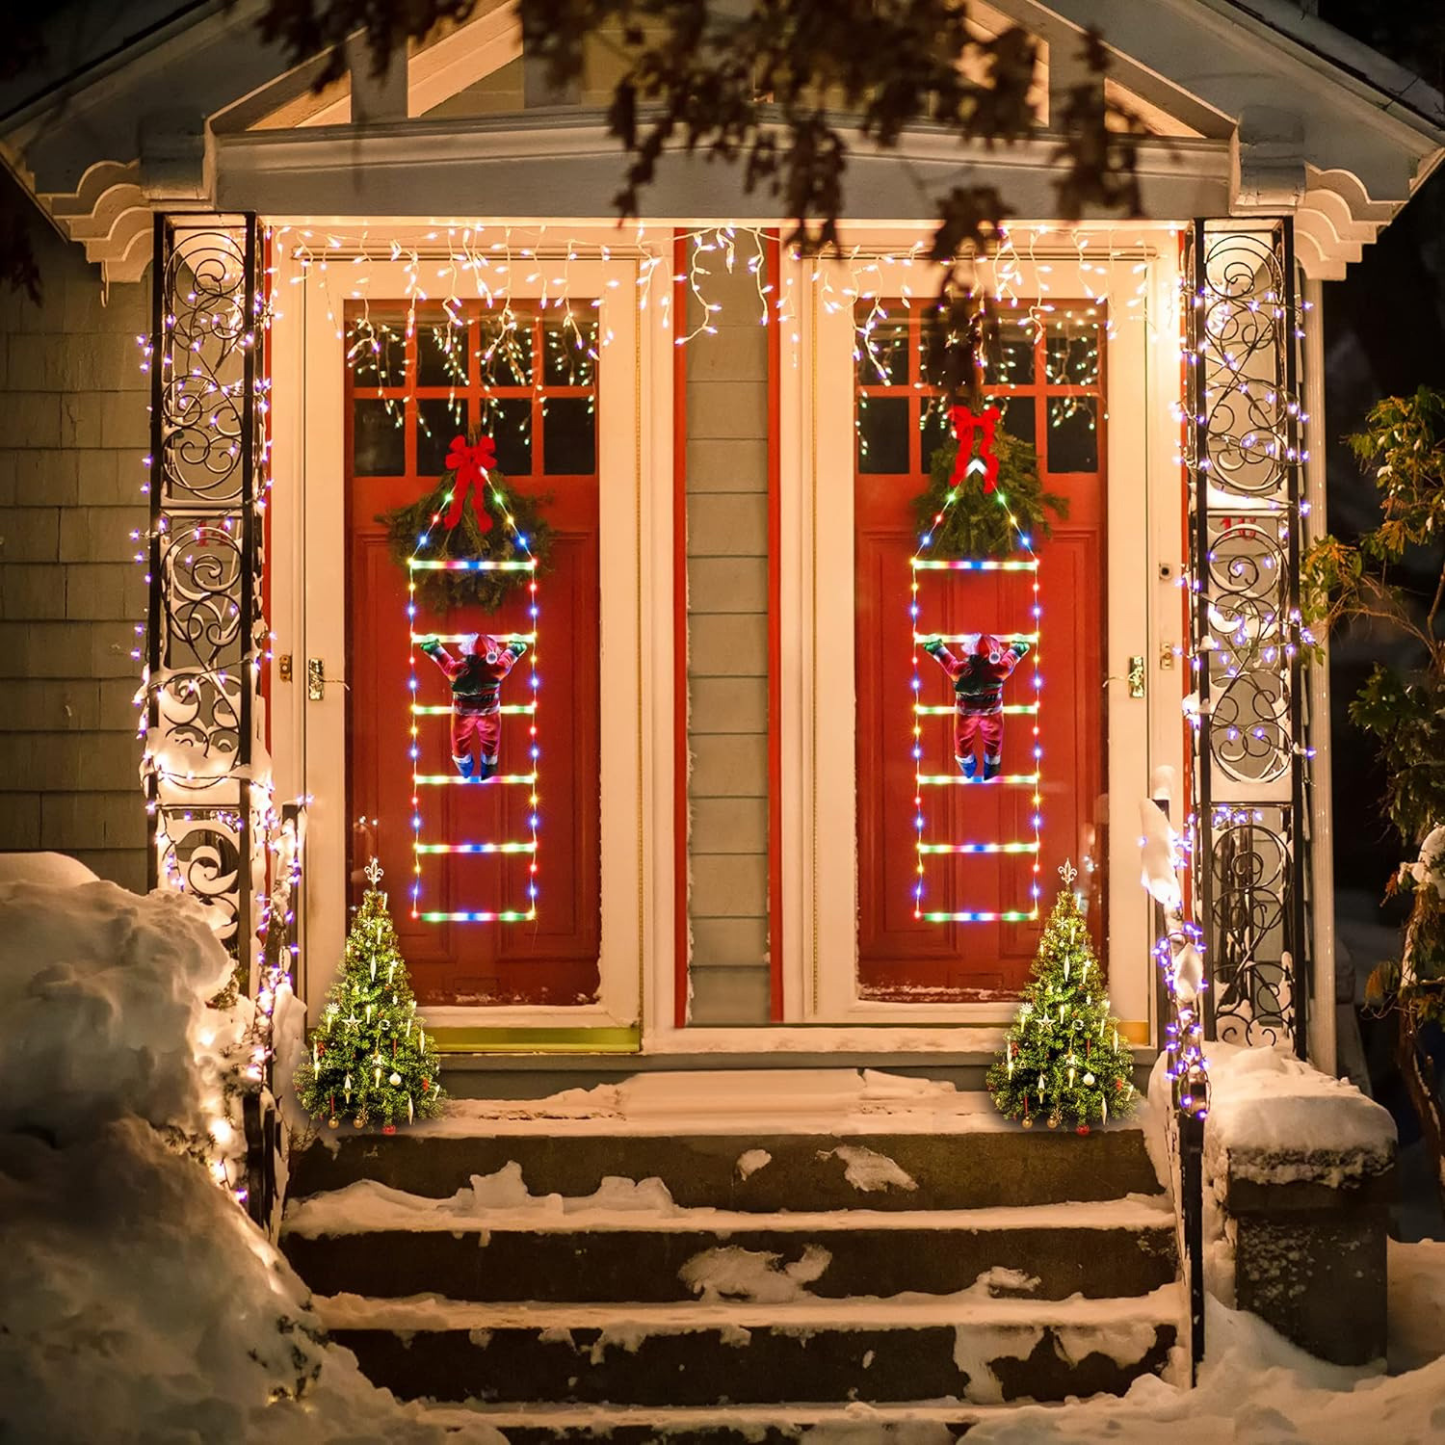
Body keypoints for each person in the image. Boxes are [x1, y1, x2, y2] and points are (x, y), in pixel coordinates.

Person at [417, 633, 528, 780]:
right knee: (491, 743)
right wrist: (516, 647)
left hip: (462, 715)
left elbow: (445, 661)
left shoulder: (458, 670)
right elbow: (508, 658)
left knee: (459, 743)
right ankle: (488, 770)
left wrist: (433, 647)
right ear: (492, 654)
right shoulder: (496, 670)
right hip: (490, 715)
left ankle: (465, 768)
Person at [922, 632, 1029, 781]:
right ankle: (991, 768)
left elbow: (947, 660)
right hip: (992, 715)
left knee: (962, 742)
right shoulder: (999, 670)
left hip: (966, 715)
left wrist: (935, 646)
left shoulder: (961, 670)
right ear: (994, 654)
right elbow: (1011, 658)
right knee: (994, 742)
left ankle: (967, 767)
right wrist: (1019, 646)